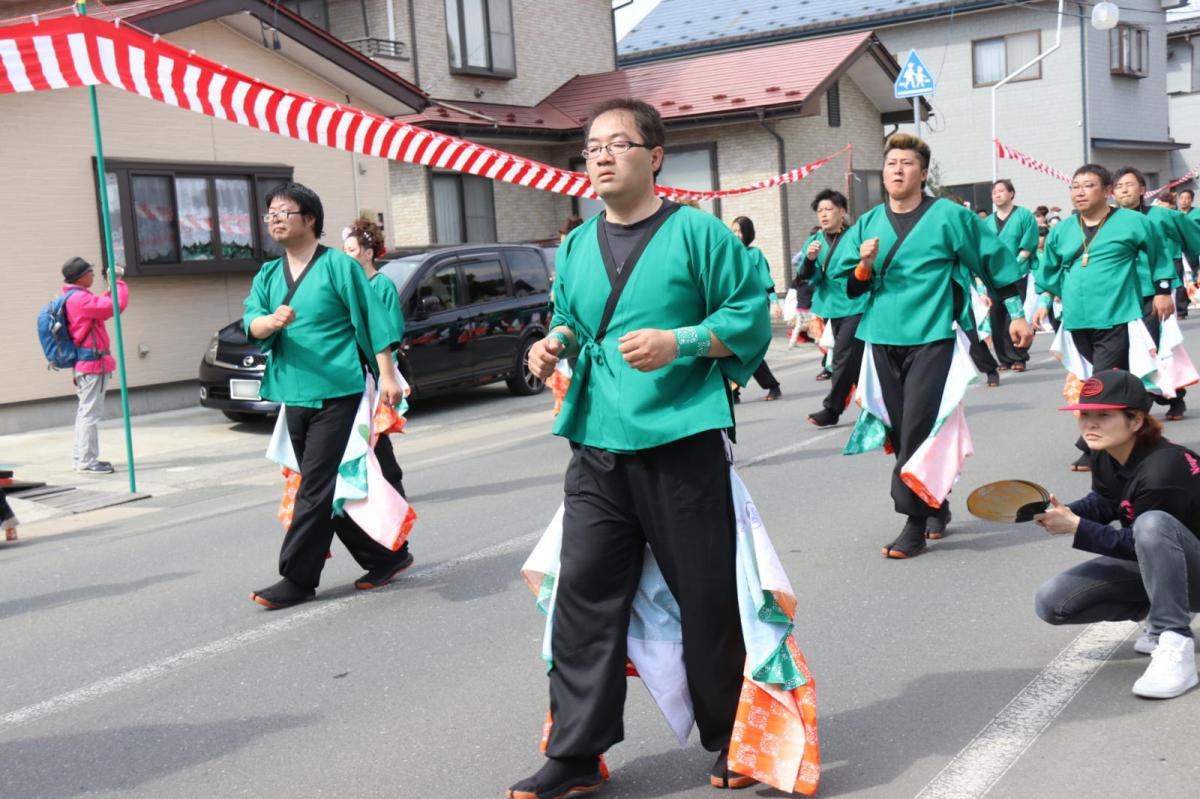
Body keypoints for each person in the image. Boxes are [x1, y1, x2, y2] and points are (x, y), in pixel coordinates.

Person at [512, 98, 772, 799]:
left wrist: (679, 342)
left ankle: (735, 737)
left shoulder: (700, 235)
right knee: (583, 598)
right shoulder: (574, 243)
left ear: (655, 156)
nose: (600, 156)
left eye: (618, 143)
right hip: (596, 444)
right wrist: (552, 343)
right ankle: (574, 753)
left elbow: (751, 316)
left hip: (680, 438)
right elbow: (569, 315)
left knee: (707, 597)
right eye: (592, 146)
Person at [839, 133, 1032, 557]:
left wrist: (1016, 312)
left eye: (907, 163)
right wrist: (863, 267)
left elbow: (993, 261)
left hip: (932, 338)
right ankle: (935, 504)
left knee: (919, 428)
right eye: (891, 163)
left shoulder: (949, 217)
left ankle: (911, 520)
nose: (897, 170)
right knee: (899, 427)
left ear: (922, 173)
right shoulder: (868, 223)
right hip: (881, 340)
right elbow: (848, 291)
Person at [243, 182, 409, 610]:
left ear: (310, 218)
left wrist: (388, 375)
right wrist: (270, 322)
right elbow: (251, 323)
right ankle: (386, 556)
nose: (275, 219)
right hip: (292, 394)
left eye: (285, 212)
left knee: (314, 488)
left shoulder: (339, 267)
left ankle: (297, 578)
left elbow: (371, 323)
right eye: (270, 214)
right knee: (326, 489)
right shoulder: (267, 274)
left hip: (339, 393)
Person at [1033, 369, 1200, 700]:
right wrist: (1064, 511)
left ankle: (1173, 636)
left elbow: (1146, 541)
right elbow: (1108, 500)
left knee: (1151, 524)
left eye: (1104, 416)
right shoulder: (1107, 452)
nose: (1090, 425)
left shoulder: (1164, 470)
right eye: (1085, 415)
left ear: (1136, 420)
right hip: (1168, 562)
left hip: (1189, 566)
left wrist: (1077, 528)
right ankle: (1161, 611)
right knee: (1053, 602)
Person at [1034, 164, 1172, 470]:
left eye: (1088, 186)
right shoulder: (1062, 230)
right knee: (1103, 381)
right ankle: (1142, 434)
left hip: (1116, 315)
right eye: (1074, 187)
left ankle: (1095, 451)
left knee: (1099, 384)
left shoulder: (1132, 222)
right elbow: (1049, 270)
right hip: (1076, 320)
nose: (1079, 192)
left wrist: (1163, 290)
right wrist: (1048, 299)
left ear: (1107, 191)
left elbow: (1160, 252)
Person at [1111, 167, 1199, 419]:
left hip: (1154, 292)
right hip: (1118, 295)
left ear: (1142, 190)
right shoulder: (1109, 220)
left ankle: (1172, 399)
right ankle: (1134, 402)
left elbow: (1192, 235)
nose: (1125, 189)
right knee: (1123, 349)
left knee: (1156, 347)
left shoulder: (1160, 215)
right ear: (1112, 193)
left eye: (1130, 184)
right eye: (1119, 186)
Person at [342, 218, 410, 506]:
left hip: (376, 372)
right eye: (343, 250)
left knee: (376, 436)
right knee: (367, 437)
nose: (346, 256)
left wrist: (385, 373)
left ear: (368, 253)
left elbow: (391, 331)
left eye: (352, 250)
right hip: (353, 375)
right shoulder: (350, 286)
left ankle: (392, 490)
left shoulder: (381, 284)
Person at [797, 189, 865, 427]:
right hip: (831, 306)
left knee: (843, 357)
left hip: (856, 303)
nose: (823, 215)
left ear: (842, 211)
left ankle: (832, 409)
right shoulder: (813, 241)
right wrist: (810, 259)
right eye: (820, 211)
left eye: (828, 209)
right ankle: (880, 407)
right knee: (854, 362)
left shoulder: (856, 234)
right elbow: (805, 277)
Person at [60, 256, 129, 475]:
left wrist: (112, 286)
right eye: (89, 272)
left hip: (86, 363)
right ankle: (87, 461)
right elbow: (114, 306)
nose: (92, 275)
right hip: (92, 364)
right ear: (80, 277)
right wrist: (118, 282)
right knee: (89, 414)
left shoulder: (75, 297)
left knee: (84, 413)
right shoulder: (80, 299)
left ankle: (80, 458)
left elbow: (103, 305)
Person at [986, 179, 1039, 372]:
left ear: (1011, 193)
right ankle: (1003, 359)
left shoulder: (1024, 215)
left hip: (1017, 274)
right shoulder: (987, 222)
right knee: (996, 317)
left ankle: (1018, 357)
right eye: (994, 192)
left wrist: (1014, 266)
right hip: (993, 277)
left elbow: (1028, 244)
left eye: (1001, 191)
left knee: (1014, 316)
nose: (997, 195)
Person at [731, 215, 782, 401]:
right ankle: (734, 390)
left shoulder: (755, 254)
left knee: (746, 348)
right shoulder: (728, 254)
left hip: (755, 305)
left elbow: (766, 281)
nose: (736, 235)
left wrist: (775, 302)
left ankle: (770, 386)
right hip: (734, 305)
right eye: (733, 230)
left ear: (747, 233)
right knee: (736, 348)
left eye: (740, 231)